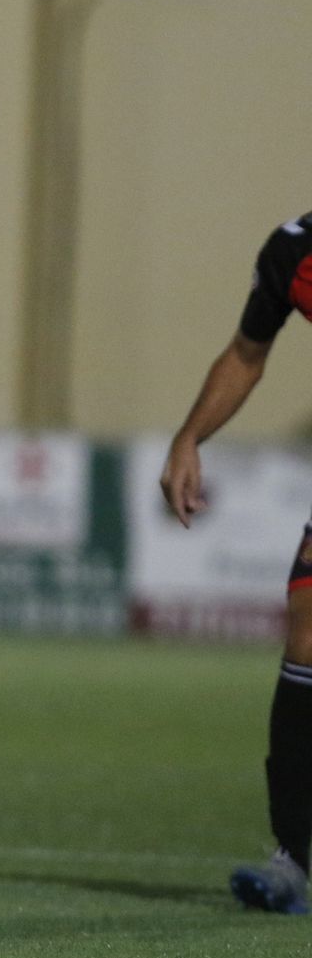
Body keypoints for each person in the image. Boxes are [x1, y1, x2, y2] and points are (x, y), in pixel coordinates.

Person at [160, 209, 312, 915]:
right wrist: (191, 437)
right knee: (307, 626)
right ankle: (295, 858)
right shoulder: (295, 249)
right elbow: (248, 353)